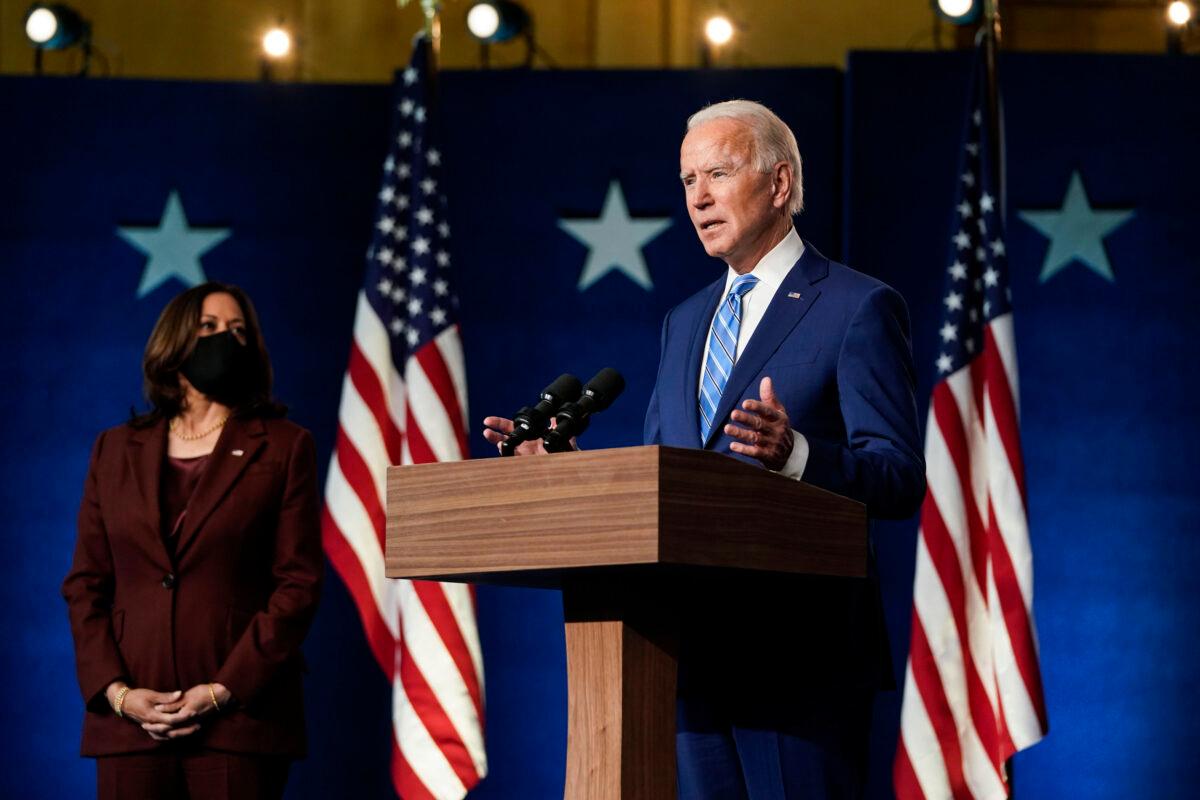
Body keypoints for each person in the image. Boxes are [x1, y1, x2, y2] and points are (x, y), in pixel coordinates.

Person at [485, 100, 925, 799]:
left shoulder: (856, 307)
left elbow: (899, 479)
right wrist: (562, 475)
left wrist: (798, 454)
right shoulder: (684, 321)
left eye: (717, 173)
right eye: (688, 179)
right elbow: (666, 477)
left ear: (779, 185)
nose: (697, 198)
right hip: (686, 655)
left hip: (797, 664)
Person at [62, 282, 323, 800]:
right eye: (208, 328)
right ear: (175, 340)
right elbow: (86, 585)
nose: (224, 338)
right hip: (130, 726)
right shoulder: (113, 449)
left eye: (238, 330)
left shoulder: (286, 446)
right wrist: (117, 695)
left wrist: (222, 691)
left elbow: (298, 585)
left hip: (239, 725)